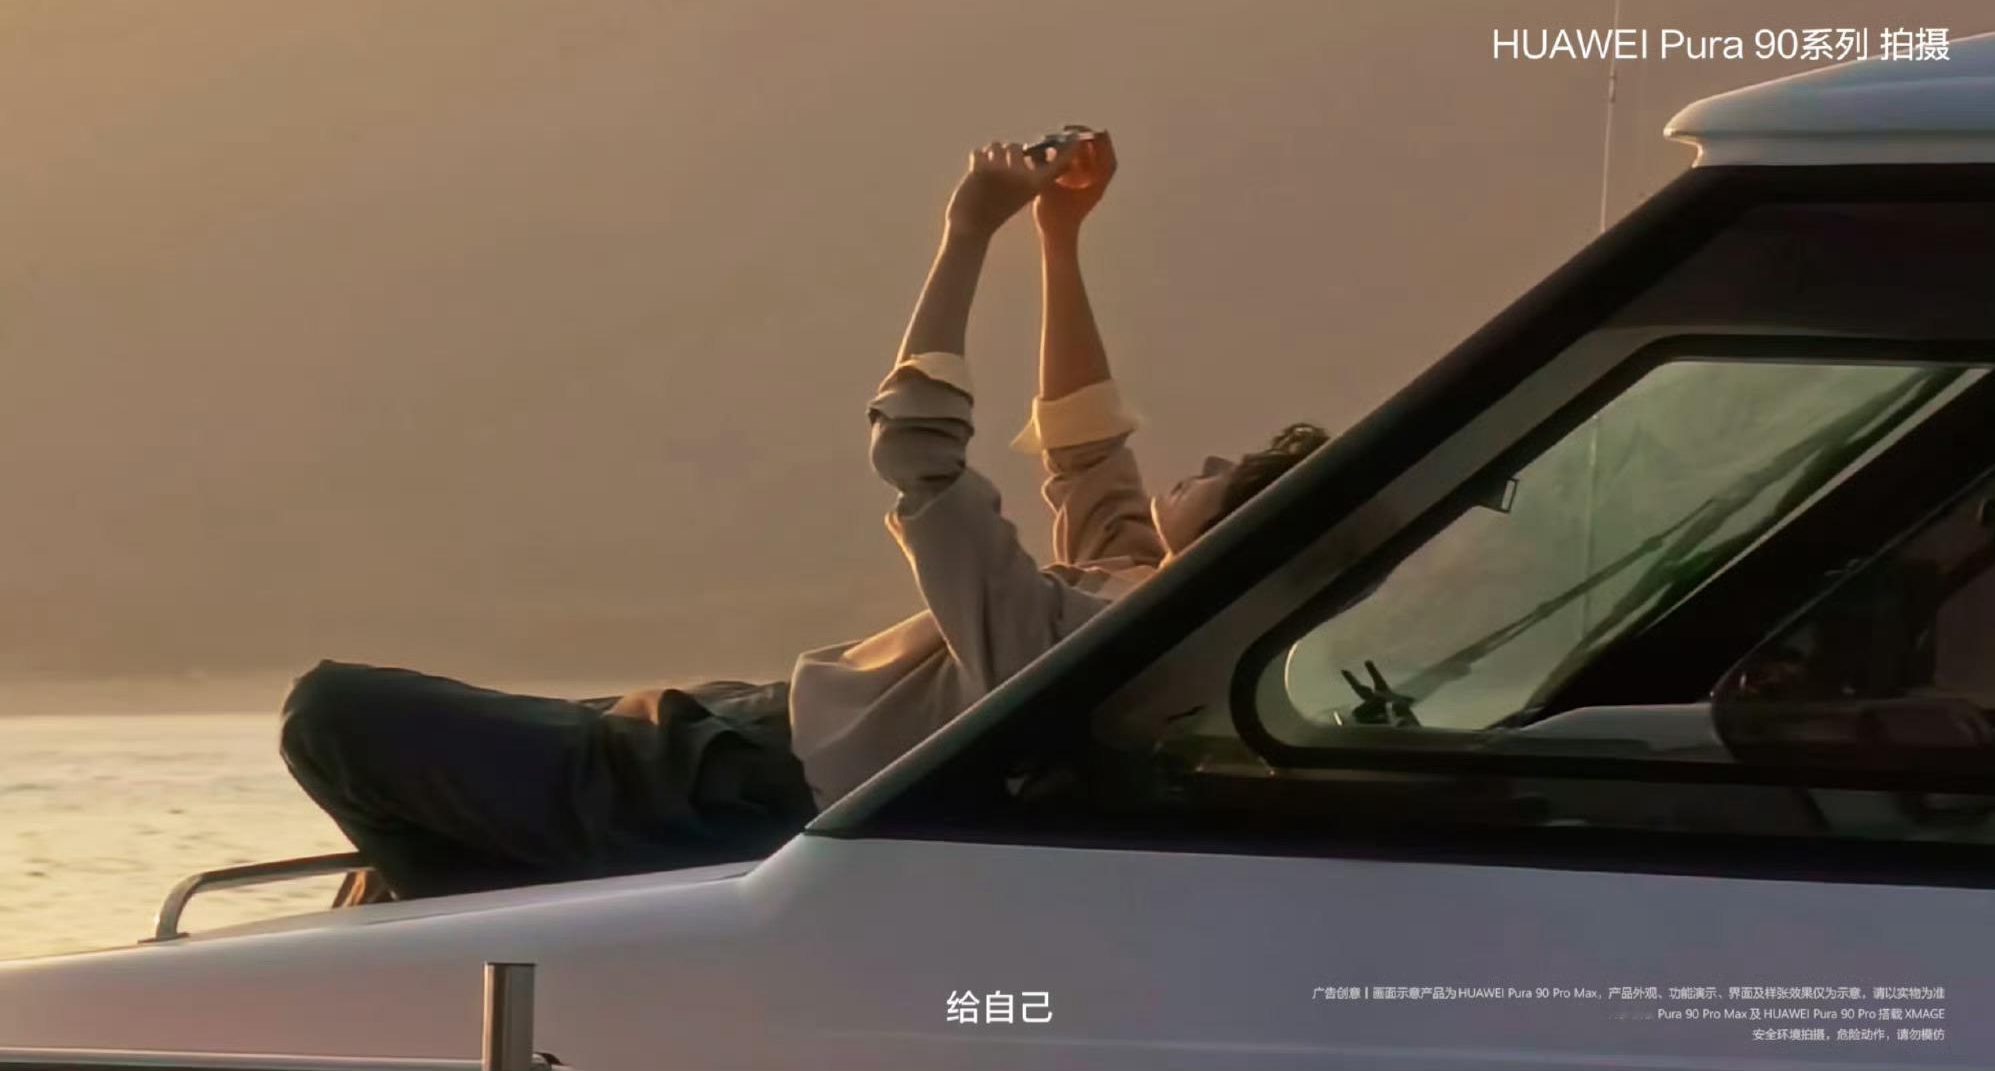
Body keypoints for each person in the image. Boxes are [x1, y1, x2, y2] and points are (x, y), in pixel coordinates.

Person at [279, 129, 1330, 900]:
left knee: (330, 716)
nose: (1204, 461)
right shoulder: (1145, 602)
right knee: (440, 777)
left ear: (1236, 540)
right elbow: (1083, 444)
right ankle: (474, 904)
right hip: (730, 727)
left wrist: (966, 232)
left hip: (734, 788)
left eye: (1227, 475)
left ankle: (488, 927)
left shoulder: (1091, 643)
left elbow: (917, 452)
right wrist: (1058, 238)